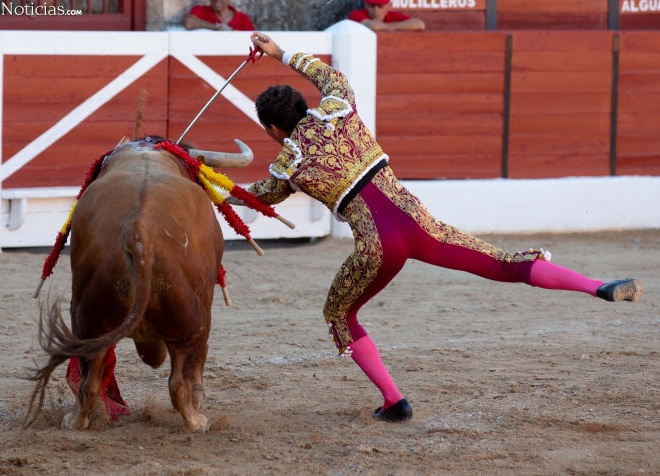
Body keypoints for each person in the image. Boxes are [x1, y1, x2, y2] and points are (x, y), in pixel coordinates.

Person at [230, 32, 644, 423]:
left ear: (271, 130)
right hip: (420, 222)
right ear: (304, 105)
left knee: (339, 312)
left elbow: (255, 196)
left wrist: (209, 186)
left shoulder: (288, 167)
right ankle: (598, 285)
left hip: (377, 247)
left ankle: (394, 401)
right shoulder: (341, 106)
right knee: (506, 264)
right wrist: (278, 50)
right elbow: (327, 74)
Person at [348, 0, 425, 31]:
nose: (376, 10)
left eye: (380, 6)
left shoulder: (392, 15)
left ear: (389, 6)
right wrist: (399, 27)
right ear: (365, 4)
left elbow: (419, 24)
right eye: (371, 6)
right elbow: (374, 26)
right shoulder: (356, 14)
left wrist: (387, 27)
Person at [184, 0, 254, 31]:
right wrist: (216, 28)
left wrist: (231, 33)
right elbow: (189, 23)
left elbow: (254, 40)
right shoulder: (200, 10)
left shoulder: (242, 18)